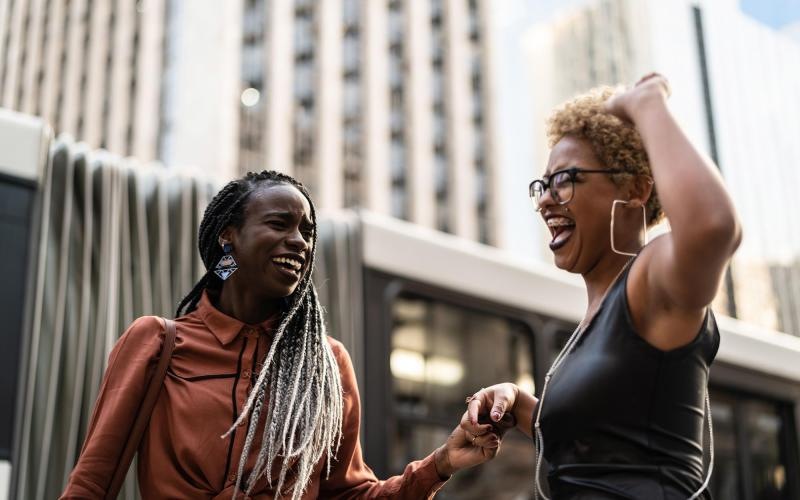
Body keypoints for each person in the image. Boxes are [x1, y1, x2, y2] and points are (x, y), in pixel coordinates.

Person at [62, 170, 503, 499]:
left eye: (307, 232)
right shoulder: (158, 344)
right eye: (279, 224)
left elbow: (349, 495)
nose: (299, 242)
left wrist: (440, 464)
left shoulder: (327, 364)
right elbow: (91, 484)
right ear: (229, 238)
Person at [462, 74, 741, 499]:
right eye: (543, 185)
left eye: (564, 179)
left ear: (635, 189)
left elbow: (712, 226)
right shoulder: (594, 319)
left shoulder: (649, 282)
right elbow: (603, 449)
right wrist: (519, 405)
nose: (545, 199)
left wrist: (647, 104)